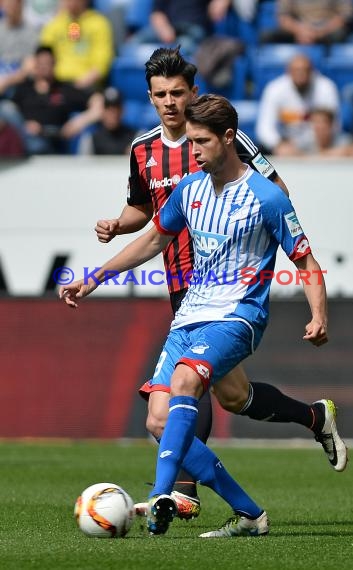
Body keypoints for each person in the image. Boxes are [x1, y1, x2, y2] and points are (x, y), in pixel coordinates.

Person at [60, 94, 337, 538]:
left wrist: (318, 315)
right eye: (190, 141)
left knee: (187, 382)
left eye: (202, 141)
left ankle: (164, 493)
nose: (195, 150)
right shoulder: (189, 189)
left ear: (228, 138)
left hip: (238, 316)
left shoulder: (266, 197)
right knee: (158, 419)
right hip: (189, 315)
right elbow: (153, 241)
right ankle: (250, 514)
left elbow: (305, 262)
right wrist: (93, 278)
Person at [10, 45, 103, 155]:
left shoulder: (64, 89)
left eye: (48, 62)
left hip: (52, 141)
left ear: (54, 64)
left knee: (37, 145)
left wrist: (80, 121)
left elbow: (98, 100)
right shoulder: (24, 89)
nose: (44, 66)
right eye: (41, 63)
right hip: (24, 139)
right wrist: (20, 74)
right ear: (35, 64)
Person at [256, 53, 340, 156]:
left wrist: (317, 148)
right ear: (288, 72)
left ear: (312, 71)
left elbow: (334, 125)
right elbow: (264, 128)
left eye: (305, 70)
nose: (301, 75)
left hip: (320, 147)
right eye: (296, 71)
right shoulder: (275, 89)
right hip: (286, 145)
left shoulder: (326, 88)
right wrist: (279, 145)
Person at [39, 0, 114, 90]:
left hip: (85, 86)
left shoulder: (99, 24)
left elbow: (102, 64)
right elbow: (43, 55)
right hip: (56, 84)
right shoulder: (55, 24)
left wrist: (81, 83)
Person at [129, 0, 231, 56]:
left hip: (194, 29)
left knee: (182, 49)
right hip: (169, 27)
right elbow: (157, 13)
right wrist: (164, 29)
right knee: (132, 44)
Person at [261, 0, 353, 45]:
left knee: (339, 35)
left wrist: (319, 32)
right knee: (266, 36)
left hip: (327, 30)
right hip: (298, 28)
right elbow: (283, 16)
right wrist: (299, 31)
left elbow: (345, 16)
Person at [79, 87, 136, 155]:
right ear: (102, 110)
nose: (113, 113)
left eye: (116, 108)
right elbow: (84, 164)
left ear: (122, 110)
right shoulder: (91, 139)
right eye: (108, 108)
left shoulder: (135, 139)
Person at [0, 0, 39, 96]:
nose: (11, 8)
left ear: (21, 5)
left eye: (14, 4)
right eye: (8, 4)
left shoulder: (31, 32)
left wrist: (6, 81)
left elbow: (29, 67)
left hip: (17, 86)